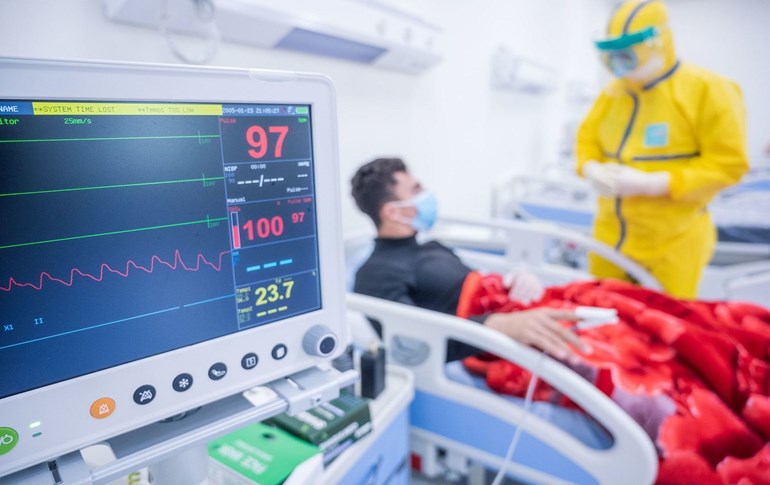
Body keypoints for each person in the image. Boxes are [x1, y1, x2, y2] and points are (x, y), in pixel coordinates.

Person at [576, 0, 749, 299]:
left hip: (672, 243)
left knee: (662, 327)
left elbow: (728, 164)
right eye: (613, 57)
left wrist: (655, 184)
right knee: (602, 320)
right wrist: (590, 167)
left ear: (658, 43)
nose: (620, 66)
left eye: (628, 55)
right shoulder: (613, 94)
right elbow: (586, 141)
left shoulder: (708, 90)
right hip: (608, 238)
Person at [351, 157, 589, 362]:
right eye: (416, 191)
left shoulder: (432, 247)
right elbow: (414, 347)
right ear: (392, 211)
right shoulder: (376, 272)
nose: (426, 195)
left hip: (522, 313)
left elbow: (479, 285)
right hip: (499, 339)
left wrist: (515, 278)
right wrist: (501, 326)